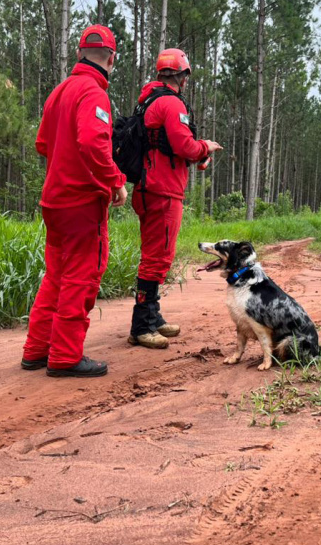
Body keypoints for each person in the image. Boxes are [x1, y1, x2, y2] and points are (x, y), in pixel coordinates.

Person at [21, 25, 127, 378]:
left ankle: (37, 350)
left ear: (80, 54)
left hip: (54, 201)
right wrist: (115, 182)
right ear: (111, 59)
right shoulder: (94, 93)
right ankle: (65, 356)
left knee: (56, 276)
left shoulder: (60, 92)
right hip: (81, 203)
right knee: (81, 277)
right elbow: (93, 143)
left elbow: (42, 144)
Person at [128, 48, 223, 349]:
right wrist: (205, 146)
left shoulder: (149, 101)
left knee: (155, 256)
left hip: (149, 187)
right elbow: (184, 146)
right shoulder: (170, 103)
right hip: (162, 191)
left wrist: (198, 153)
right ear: (181, 76)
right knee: (157, 259)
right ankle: (141, 326)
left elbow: (168, 146)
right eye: (185, 76)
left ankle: (152, 317)